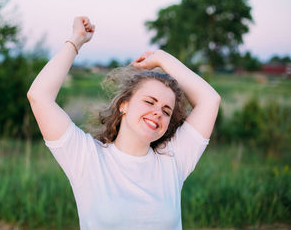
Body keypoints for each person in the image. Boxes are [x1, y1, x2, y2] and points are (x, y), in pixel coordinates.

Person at [27, 16, 221, 230]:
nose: (157, 113)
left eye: (167, 111)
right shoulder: (87, 157)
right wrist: (76, 41)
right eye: (149, 101)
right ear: (124, 105)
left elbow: (210, 101)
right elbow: (39, 96)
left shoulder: (173, 160)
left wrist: (162, 58)